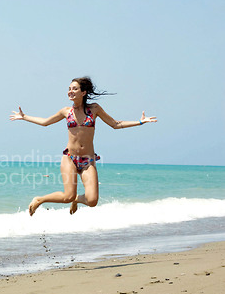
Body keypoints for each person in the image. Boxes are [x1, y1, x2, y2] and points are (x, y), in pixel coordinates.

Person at [9, 77, 157, 216]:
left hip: (88, 160)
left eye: (74, 89)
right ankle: (40, 199)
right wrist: (24, 117)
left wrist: (140, 121)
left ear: (83, 92)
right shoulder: (66, 111)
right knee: (68, 196)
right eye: (69, 88)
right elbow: (45, 122)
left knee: (92, 201)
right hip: (70, 158)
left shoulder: (94, 109)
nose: (70, 91)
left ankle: (76, 200)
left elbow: (115, 124)